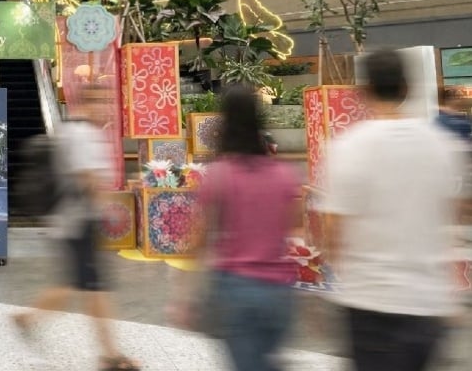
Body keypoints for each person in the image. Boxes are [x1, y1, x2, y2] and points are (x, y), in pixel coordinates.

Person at [322, 49, 463, 371]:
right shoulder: (441, 144)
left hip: (371, 302)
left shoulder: (349, 146)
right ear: (407, 87)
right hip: (428, 305)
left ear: (363, 91)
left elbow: (332, 232)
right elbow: (450, 216)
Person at [11, 85, 140, 371]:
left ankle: (26, 319)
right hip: (79, 222)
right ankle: (110, 356)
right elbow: (87, 179)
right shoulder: (82, 135)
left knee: (72, 286)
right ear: (86, 103)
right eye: (100, 101)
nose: (106, 107)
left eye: (107, 101)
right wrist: (106, 210)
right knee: (94, 288)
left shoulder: (74, 131)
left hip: (70, 221)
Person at [193, 86, 302, 371]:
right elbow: (295, 225)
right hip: (280, 291)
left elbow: (199, 237)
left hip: (236, 288)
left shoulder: (219, 174)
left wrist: (185, 293)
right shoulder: (284, 174)